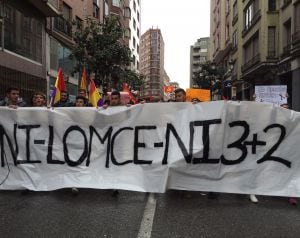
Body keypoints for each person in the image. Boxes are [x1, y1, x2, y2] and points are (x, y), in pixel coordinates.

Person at [280, 103, 297, 205]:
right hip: (278, 150)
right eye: (282, 109)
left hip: (290, 150)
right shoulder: (274, 119)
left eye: (286, 108)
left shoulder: (294, 120)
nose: (284, 110)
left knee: (291, 172)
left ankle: (292, 195)